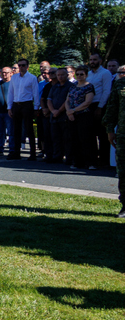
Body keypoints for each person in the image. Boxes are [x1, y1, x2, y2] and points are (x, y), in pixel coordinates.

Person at [7, 59, 41, 161]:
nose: (21, 67)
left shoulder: (32, 78)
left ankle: (33, 154)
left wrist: (36, 107)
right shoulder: (14, 77)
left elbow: (35, 93)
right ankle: (16, 153)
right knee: (16, 129)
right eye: (20, 65)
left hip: (27, 104)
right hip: (16, 104)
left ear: (27, 66)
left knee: (29, 129)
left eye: (23, 65)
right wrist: (9, 107)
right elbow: (11, 92)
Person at [102, 72, 125, 217]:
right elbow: (112, 108)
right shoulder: (120, 83)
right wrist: (110, 130)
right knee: (123, 171)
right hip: (123, 135)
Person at [66, 66, 97, 170]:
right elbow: (67, 100)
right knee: (74, 139)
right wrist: (69, 112)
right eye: (78, 74)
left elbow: (87, 102)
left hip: (84, 115)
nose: (79, 76)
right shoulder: (73, 87)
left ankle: (90, 162)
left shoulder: (89, 86)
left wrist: (74, 110)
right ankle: (77, 162)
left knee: (86, 139)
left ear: (86, 75)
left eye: (82, 74)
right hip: (72, 116)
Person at [88, 53, 113, 167]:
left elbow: (106, 91)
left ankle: (104, 160)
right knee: (91, 134)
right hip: (89, 105)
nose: (92, 62)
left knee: (102, 135)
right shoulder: (88, 74)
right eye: (91, 60)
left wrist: (100, 107)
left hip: (100, 105)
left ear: (100, 61)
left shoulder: (105, 73)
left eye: (95, 60)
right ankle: (94, 159)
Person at [46, 67, 72, 164]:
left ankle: (69, 158)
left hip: (65, 116)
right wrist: (53, 111)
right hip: (54, 116)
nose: (60, 77)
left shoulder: (71, 86)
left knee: (67, 138)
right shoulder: (54, 86)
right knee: (55, 137)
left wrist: (59, 111)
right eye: (58, 75)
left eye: (62, 75)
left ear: (67, 75)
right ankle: (57, 156)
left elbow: (68, 100)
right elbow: (49, 99)